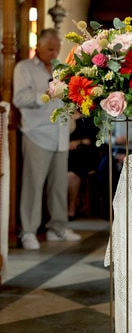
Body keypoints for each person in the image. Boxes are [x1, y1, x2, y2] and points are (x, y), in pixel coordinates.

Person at [13, 28, 81, 249]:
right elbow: (20, 98)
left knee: (58, 186)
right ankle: (28, 231)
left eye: (57, 48)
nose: (54, 52)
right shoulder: (24, 68)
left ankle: (57, 228)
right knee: (33, 185)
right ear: (38, 47)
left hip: (60, 133)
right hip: (36, 133)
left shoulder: (62, 69)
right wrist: (47, 93)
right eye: (50, 48)